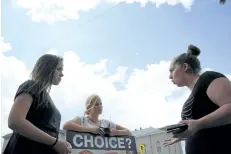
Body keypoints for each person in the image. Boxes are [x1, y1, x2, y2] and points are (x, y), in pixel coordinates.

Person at [163, 45, 231, 154]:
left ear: (185, 67)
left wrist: (199, 124)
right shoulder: (194, 94)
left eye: (172, 70)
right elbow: (204, 127)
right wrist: (184, 134)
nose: (170, 76)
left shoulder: (208, 78)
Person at [4, 54, 72, 154]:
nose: (62, 74)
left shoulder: (47, 97)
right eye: (59, 69)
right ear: (47, 68)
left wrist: (61, 143)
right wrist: (55, 143)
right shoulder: (31, 86)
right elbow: (15, 121)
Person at [63, 94, 132, 136]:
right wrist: (91, 130)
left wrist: (116, 132)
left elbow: (128, 132)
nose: (100, 106)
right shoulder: (82, 120)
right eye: (96, 104)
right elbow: (66, 125)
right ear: (89, 107)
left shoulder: (106, 123)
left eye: (101, 104)